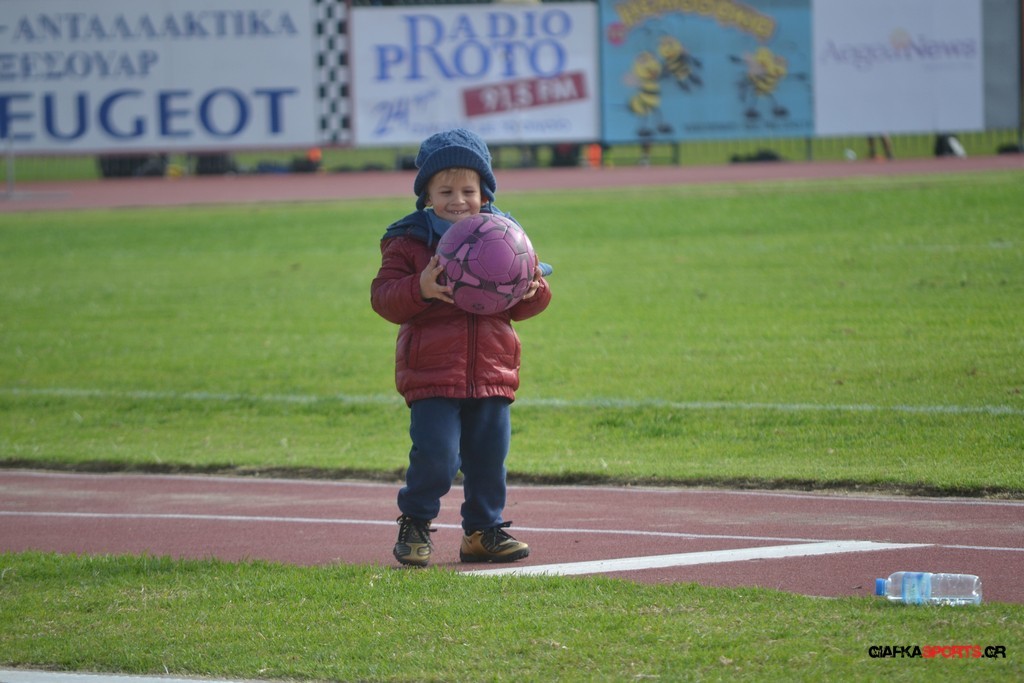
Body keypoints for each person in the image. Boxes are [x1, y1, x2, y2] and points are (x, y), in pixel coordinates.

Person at [370, 128, 552, 567]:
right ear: (426, 196)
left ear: (484, 193)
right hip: (432, 372)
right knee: (437, 456)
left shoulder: (506, 236)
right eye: (445, 191)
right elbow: (384, 298)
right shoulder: (409, 241)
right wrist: (420, 287)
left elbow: (526, 302)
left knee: (489, 458)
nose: (458, 201)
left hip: (492, 370)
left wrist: (534, 292)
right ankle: (416, 521)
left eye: (468, 191)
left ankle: (482, 532)